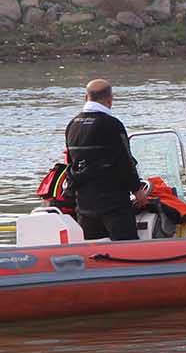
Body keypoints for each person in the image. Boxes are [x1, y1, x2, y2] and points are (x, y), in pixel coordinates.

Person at [64, 79, 149, 241]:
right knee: (127, 248)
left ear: (85, 97)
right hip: (113, 204)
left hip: (85, 204)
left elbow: (71, 162)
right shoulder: (112, 124)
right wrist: (138, 191)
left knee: (92, 252)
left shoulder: (72, 125)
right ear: (110, 100)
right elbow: (125, 161)